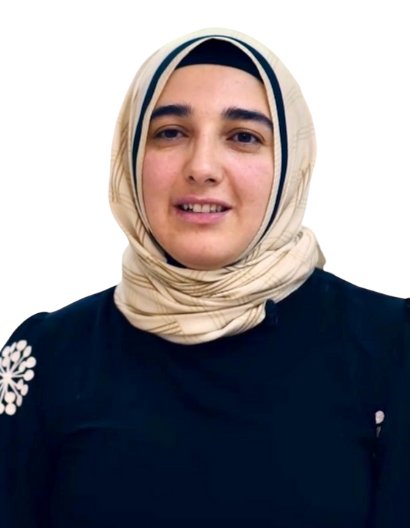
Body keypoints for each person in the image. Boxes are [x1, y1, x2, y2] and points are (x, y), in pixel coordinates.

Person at [0, 27, 408, 528]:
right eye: (170, 132)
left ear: (290, 164)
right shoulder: (48, 357)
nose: (202, 167)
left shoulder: (392, 349)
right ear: (130, 156)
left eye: (244, 137)